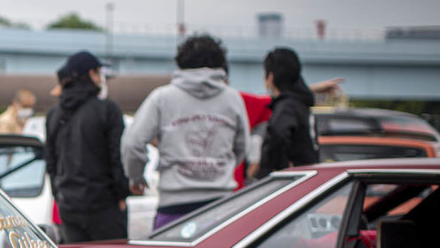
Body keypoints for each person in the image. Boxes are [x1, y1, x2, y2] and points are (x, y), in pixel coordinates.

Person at [121, 34, 249, 230]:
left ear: (180, 63)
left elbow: (132, 143)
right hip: (221, 206)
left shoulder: (162, 98)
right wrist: (221, 168)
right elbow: (242, 148)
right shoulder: (233, 99)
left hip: (174, 206)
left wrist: (136, 176)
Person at [44, 51, 133, 242]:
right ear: (91, 74)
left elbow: (51, 163)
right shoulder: (107, 110)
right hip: (104, 206)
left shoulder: (54, 115)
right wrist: (121, 195)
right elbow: (117, 157)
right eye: (99, 71)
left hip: (68, 208)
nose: (101, 77)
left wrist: (59, 197)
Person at [254, 47, 319, 178]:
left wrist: (272, 171)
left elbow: (277, 134)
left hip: (289, 183)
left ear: (270, 77)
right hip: (307, 178)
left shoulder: (286, 106)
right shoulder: (301, 104)